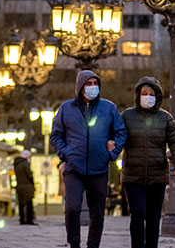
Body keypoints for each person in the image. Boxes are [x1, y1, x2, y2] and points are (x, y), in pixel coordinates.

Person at [51, 70, 127, 248]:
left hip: (99, 169)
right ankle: (74, 244)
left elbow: (121, 132)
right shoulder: (66, 108)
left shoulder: (108, 108)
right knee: (72, 209)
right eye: (88, 83)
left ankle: (93, 246)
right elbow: (56, 135)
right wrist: (65, 153)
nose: (93, 87)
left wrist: (111, 153)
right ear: (80, 86)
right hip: (73, 169)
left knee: (97, 213)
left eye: (95, 83)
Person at [120, 76, 175, 248]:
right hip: (132, 175)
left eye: (151, 93)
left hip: (157, 175)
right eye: (144, 93)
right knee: (137, 212)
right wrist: (110, 149)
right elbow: (117, 137)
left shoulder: (165, 118)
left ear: (157, 96)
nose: (147, 96)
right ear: (138, 95)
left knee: (153, 217)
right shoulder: (127, 116)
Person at [14, 149, 36, 225]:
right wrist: (33, 183)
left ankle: (22, 219)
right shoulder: (25, 164)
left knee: (21, 203)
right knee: (29, 203)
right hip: (27, 186)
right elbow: (29, 175)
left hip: (19, 186)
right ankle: (29, 220)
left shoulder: (17, 164)